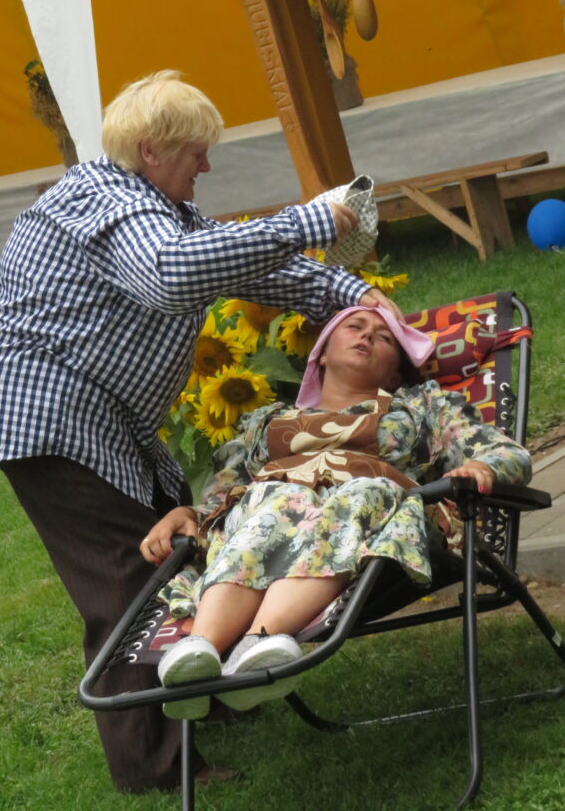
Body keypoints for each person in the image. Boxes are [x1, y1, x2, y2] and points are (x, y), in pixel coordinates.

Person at [0, 70, 399, 794]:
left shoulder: (162, 210)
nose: (208, 166)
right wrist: (312, 220)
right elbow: (171, 275)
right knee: (128, 570)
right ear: (151, 150)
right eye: (197, 152)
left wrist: (358, 299)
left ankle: (203, 691)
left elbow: (256, 270)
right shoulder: (103, 200)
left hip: (98, 413)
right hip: (46, 408)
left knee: (187, 537)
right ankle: (154, 766)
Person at [141, 305, 532, 717]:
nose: (367, 336)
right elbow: (222, 495)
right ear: (322, 355)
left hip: (373, 519)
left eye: (384, 337)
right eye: (354, 326)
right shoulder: (266, 422)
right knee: (273, 500)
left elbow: (508, 454)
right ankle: (200, 649)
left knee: (361, 491)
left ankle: (260, 642)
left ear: (395, 375)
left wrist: (483, 467)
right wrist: (190, 515)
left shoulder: (422, 407)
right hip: (268, 517)